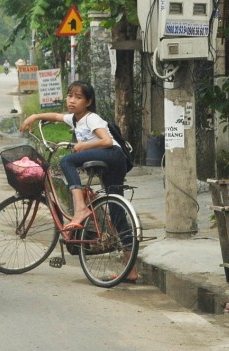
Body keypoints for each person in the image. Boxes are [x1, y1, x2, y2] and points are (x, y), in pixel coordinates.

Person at [19, 81, 139, 282]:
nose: (72, 100)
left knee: (66, 161)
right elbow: (56, 116)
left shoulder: (92, 119)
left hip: (113, 155)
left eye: (78, 97)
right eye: (70, 96)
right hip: (110, 160)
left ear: (89, 102)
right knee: (117, 212)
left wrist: (83, 146)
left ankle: (80, 208)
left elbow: (107, 141)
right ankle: (132, 271)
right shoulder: (75, 119)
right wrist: (35, 116)